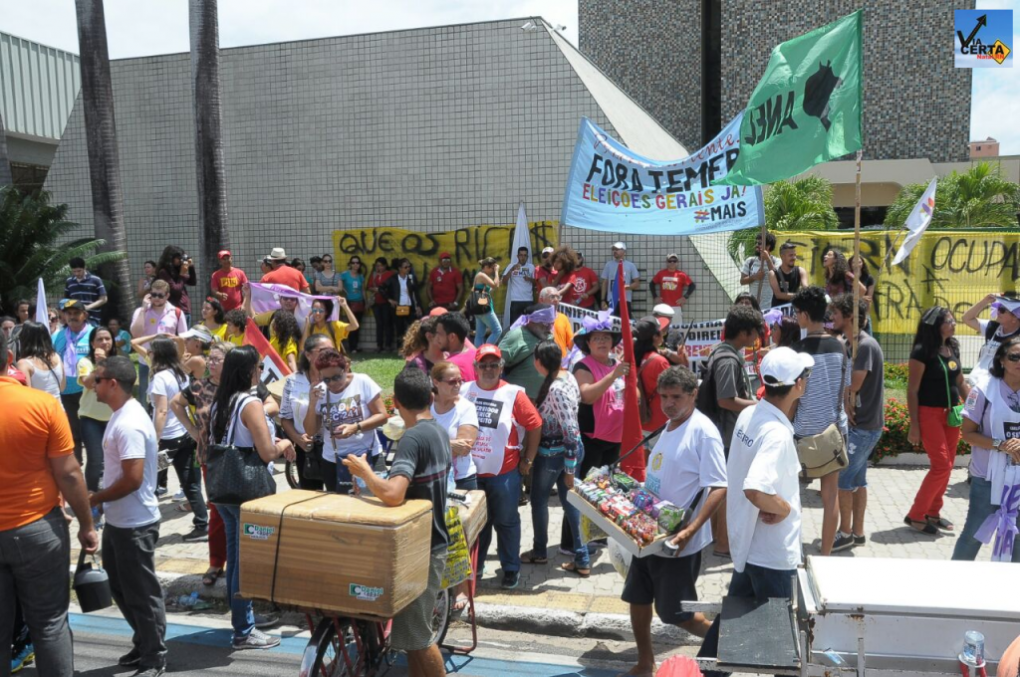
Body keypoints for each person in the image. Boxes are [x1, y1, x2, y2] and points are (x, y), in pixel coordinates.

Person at [698, 347, 812, 666]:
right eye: (805, 376)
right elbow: (755, 486)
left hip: (749, 547)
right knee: (780, 652)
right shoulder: (776, 433)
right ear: (797, 385)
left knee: (728, 638)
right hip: (773, 556)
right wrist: (783, 508)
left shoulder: (751, 414)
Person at [1, 327, 97, 677]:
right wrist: (87, 525)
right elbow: (70, 473)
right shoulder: (41, 405)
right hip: (39, 529)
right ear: (10, 360)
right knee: (50, 625)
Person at [343, 368, 450, 677]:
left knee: (418, 637)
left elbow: (393, 494)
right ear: (430, 397)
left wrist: (365, 473)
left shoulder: (412, 438)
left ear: (394, 403)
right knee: (410, 638)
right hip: (430, 544)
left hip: (423, 550)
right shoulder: (438, 430)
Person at [625, 366, 728, 677]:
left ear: (693, 395)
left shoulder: (703, 431)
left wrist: (691, 530)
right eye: (664, 397)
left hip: (677, 542)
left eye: (677, 397)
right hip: (649, 534)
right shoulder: (668, 425)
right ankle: (645, 663)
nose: (669, 403)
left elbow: (719, 485)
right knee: (637, 598)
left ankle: (726, 644)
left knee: (675, 614)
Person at [207, 346, 294, 650]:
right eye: (258, 367)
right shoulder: (250, 403)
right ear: (248, 372)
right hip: (246, 491)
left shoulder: (221, 401)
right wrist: (283, 443)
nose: (260, 372)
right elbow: (267, 452)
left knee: (235, 559)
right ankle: (244, 630)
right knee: (244, 562)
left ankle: (241, 620)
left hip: (223, 490)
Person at [88, 356, 167, 676]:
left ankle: (155, 655)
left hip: (136, 523)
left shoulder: (130, 422)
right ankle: (144, 641)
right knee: (120, 588)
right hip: (119, 521)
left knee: (141, 592)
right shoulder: (121, 415)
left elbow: (133, 479)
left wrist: (95, 497)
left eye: (97, 380)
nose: (92, 384)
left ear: (112, 384)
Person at [462, 344, 542, 589]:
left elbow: (535, 424)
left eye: (493, 364)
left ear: (501, 367)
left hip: (504, 473)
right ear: (475, 368)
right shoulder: (465, 390)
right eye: (483, 365)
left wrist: (528, 459)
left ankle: (510, 568)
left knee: (506, 522)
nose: (488, 369)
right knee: (476, 524)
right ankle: (477, 565)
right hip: (471, 472)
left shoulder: (514, 394)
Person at [696, 304, 760, 559]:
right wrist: (758, 405)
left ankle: (718, 538)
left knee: (720, 487)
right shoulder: (727, 359)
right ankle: (723, 543)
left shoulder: (724, 352)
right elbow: (726, 400)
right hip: (724, 434)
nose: (758, 338)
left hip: (723, 432)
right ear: (744, 333)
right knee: (725, 489)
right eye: (756, 332)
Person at [521, 340, 589, 576]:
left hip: (555, 456)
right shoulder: (567, 377)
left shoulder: (556, 389)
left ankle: (540, 552)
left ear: (539, 363)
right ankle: (582, 558)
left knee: (539, 501)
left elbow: (570, 431)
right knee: (571, 504)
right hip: (568, 454)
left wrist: (569, 471)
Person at [791, 286, 849, 556]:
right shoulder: (840, 346)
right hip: (832, 432)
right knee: (830, 498)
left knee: (792, 498)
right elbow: (846, 390)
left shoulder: (798, 352)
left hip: (801, 435)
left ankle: (792, 552)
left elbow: (793, 397)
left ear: (803, 315)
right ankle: (825, 556)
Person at [170, 341, 232, 587]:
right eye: (211, 359)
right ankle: (216, 561)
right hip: (210, 457)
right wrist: (193, 431)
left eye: (217, 359)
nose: (211, 363)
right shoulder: (198, 386)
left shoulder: (240, 385)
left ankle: (244, 562)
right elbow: (176, 403)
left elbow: (271, 403)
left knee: (242, 511)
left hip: (241, 457)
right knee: (217, 510)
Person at [954, 336, 1020, 562]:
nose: (1019, 361)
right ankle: (952, 587)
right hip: (987, 479)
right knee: (973, 535)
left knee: (1018, 537)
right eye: (1014, 356)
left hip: (1018, 480)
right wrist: (1000, 445)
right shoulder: (982, 391)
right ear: (1002, 360)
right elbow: (968, 434)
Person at [827, 294, 884, 552]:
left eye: (836, 313)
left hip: (864, 427)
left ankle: (845, 532)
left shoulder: (865, 345)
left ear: (850, 316)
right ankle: (858, 533)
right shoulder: (852, 344)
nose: (832, 317)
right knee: (858, 481)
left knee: (843, 480)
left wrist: (835, 390)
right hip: (859, 425)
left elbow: (855, 384)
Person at [906, 306, 969, 535]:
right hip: (929, 414)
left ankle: (933, 512)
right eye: (949, 320)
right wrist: (914, 425)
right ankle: (915, 515)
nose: (953, 323)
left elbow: (960, 383)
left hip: (951, 415)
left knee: (948, 466)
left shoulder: (952, 347)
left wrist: (976, 408)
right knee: (941, 465)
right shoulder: (922, 351)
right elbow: (912, 390)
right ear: (936, 325)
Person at [429, 361, 479, 613]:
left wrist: (431, 443)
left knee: (460, 535)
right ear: (436, 383)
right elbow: (411, 435)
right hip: (433, 479)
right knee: (436, 536)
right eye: (452, 381)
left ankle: (460, 589)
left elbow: (465, 445)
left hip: (461, 480)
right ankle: (439, 585)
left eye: (460, 379)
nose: (458, 384)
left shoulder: (466, 407)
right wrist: (449, 444)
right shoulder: (426, 406)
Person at [304, 349, 387, 493]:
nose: (332, 384)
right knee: (339, 508)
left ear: (346, 368)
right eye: (326, 379)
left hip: (367, 455)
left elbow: (382, 416)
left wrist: (356, 427)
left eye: (336, 377)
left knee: (375, 504)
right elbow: (310, 431)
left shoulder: (362, 382)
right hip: (333, 460)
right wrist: (312, 404)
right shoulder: (319, 391)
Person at [131, 279, 187, 408]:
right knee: (145, 395)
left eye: (160, 295)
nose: (156, 298)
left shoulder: (176, 312)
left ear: (167, 295)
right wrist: (144, 310)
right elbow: (135, 334)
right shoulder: (141, 311)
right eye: (153, 295)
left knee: (169, 395)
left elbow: (183, 338)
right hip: (146, 360)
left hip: (168, 362)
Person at [52, 299, 94, 465]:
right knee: (72, 431)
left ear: (85, 315)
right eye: (69, 313)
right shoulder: (59, 336)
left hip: (88, 390)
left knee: (92, 430)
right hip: (66, 391)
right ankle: (77, 464)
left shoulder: (94, 333)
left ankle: (96, 466)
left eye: (76, 313)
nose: (72, 317)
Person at [75, 326, 116, 493]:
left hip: (114, 417)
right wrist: (99, 365)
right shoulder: (85, 362)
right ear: (92, 343)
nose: (104, 342)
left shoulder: (119, 361)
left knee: (114, 458)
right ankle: (91, 497)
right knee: (95, 459)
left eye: (107, 338)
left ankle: (112, 492)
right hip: (90, 418)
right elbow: (88, 383)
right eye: (99, 339)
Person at [498, 303, 555, 401]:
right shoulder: (516, 336)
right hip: (515, 400)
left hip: (541, 401)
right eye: (545, 324)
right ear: (532, 321)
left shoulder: (549, 336)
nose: (549, 328)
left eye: (551, 323)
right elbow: (496, 364)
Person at [962, 294, 1020, 387]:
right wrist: (985, 301)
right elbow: (966, 318)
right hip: (976, 383)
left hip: (1000, 387)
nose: (998, 312)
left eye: (1002, 310)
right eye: (998, 308)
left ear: (1014, 318)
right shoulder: (992, 327)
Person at [634, 316, 672, 434]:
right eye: (661, 332)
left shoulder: (631, 357)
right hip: (659, 423)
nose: (663, 334)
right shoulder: (659, 362)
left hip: (639, 421)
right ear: (655, 337)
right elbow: (673, 389)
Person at [15, 320, 65, 400]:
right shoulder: (56, 356)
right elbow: (62, 387)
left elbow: (26, 396)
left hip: (39, 410)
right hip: (59, 409)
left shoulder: (23, 364)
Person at [156, 245, 198, 324]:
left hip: (185, 309)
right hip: (175, 311)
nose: (180, 260)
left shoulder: (178, 270)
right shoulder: (164, 272)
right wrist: (181, 274)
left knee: (184, 336)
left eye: (181, 258)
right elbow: (175, 290)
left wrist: (191, 267)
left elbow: (192, 282)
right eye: (178, 258)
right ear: (170, 258)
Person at [385, 258, 424, 341]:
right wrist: (389, 299)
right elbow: (382, 288)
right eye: (405, 267)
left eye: (409, 267)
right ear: (400, 268)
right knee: (400, 328)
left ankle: (412, 346)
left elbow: (415, 293)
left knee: (412, 327)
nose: (408, 269)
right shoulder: (394, 278)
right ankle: (400, 347)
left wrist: (418, 306)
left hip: (410, 306)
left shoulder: (411, 278)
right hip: (399, 306)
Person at [650, 253, 695, 323]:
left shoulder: (681, 275)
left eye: (674, 261)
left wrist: (685, 297)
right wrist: (655, 296)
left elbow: (692, 285)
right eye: (670, 261)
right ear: (666, 262)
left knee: (677, 329)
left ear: (677, 263)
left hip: (676, 307)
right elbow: (652, 284)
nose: (672, 263)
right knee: (663, 329)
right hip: (663, 306)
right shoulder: (661, 273)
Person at [740, 232, 780, 310]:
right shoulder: (750, 261)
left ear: (768, 246)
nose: (756, 245)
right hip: (753, 307)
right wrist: (754, 277)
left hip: (770, 306)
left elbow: (777, 277)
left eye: (759, 243)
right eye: (756, 243)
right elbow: (742, 281)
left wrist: (767, 259)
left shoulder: (776, 261)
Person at [64, 256, 108, 324]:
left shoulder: (95, 280)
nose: (77, 274)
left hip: (93, 318)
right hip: (75, 318)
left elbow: (104, 299)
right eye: (74, 271)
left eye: (79, 271)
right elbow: (67, 299)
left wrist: (88, 307)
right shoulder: (69, 281)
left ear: (84, 268)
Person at [600, 242, 640, 316]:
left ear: (624, 251)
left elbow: (637, 283)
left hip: (625, 300)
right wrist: (603, 300)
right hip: (611, 300)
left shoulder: (630, 265)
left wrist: (625, 287)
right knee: (611, 323)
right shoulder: (608, 265)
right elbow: (604, 283)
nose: (615, 251)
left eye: (617, 249)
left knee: (625, 323)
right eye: (613, 249)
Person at [470, 257, 502, 345]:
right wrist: (497, 271)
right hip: (484, 308)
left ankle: (479, 355)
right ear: (487, 267)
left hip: (479, 307)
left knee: (480, 335)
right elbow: (495, 285)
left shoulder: (480, 275)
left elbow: (487, 289)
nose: (492, 270)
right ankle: (486, 350)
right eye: (492, 268)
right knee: (497, 330)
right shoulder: (481, 275)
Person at [437, 312, 477, 382]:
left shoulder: (448, 366)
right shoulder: (477, 355)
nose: (437, 338)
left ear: (452, 337)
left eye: (439, 334)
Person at [368, 257, 396, 352]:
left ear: (385, 266)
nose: (378, 267)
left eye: (380, 265)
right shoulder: (374, 274)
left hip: (386, 302)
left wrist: (381, 290)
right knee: (379, 324)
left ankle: (388, 344)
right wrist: (376, 290)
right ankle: (379, 345)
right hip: (376, 302)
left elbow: (392, 287)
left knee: (388, 323)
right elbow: (369, 286)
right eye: (377, 265)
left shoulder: (390, 274)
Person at [340, 256, 367, 352]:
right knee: (351, 325)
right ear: (350, 264)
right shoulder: (344, 275)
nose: (355, 265)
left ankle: (355, 346)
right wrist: (345, 293)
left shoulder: (360, 276)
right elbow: (340, 286)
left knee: (358, 325)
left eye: (357, 263)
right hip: (350, 303)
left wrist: (365, 302)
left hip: (360, 302)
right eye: (353, 263)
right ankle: (352, 347)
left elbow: (363, 290)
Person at [537, 287, 574, 358]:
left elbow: (570, 345)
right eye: (552, 297)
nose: (556, 300)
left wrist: (581, 333)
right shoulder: (534, 320)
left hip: (562, 366)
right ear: (541, 300)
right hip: (542, 365)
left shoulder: (563, 318)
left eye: (558, 297)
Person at [504, 246, 536, 327]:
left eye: (525, 255)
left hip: (528, 300)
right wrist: (511, 270)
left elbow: (537, 282)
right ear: (517, 256)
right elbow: (504, 282)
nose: (523, 257)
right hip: (516, 300)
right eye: (521, 255)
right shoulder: (511, 265)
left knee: (529, 326)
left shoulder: (531, 267)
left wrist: (530, 279)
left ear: (527, 257)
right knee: (514, 326)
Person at [268, 309, 302, 373]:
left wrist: (296, 376)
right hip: (272, 373)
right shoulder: (274, 338)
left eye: (276, 322)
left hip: (283, 377)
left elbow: (291, 362)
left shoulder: (290, 341)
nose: (273, 324)